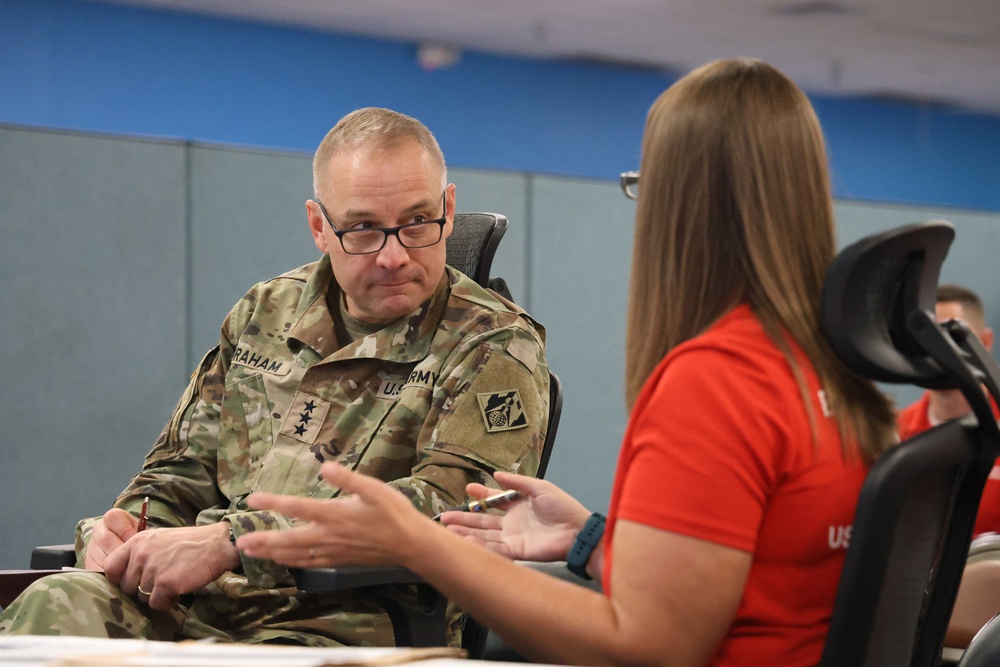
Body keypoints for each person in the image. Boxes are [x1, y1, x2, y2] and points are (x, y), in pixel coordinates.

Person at [237, 59, 897, 667]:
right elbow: (752, 579)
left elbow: (646, 645)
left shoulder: (714, 382)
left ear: (678, 202)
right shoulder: (828, 370)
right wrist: (590, 539)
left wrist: (420, 543)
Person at [0, 108, 550, 646]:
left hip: (335, 625)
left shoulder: (493, 343)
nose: (393, 256)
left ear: (449, 210)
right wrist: (123, 529)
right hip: (196, 604)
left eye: (416, 223)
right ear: (319, 226)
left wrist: (234, 543)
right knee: (53, 605)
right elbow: (181, 470)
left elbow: (451, 512)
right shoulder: (266, 312)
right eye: (362, 229)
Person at [897, 284, 1000, 537]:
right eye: (926, 341)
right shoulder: (893, 436)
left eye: (951, 339)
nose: (939, 354)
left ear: (985, 342)